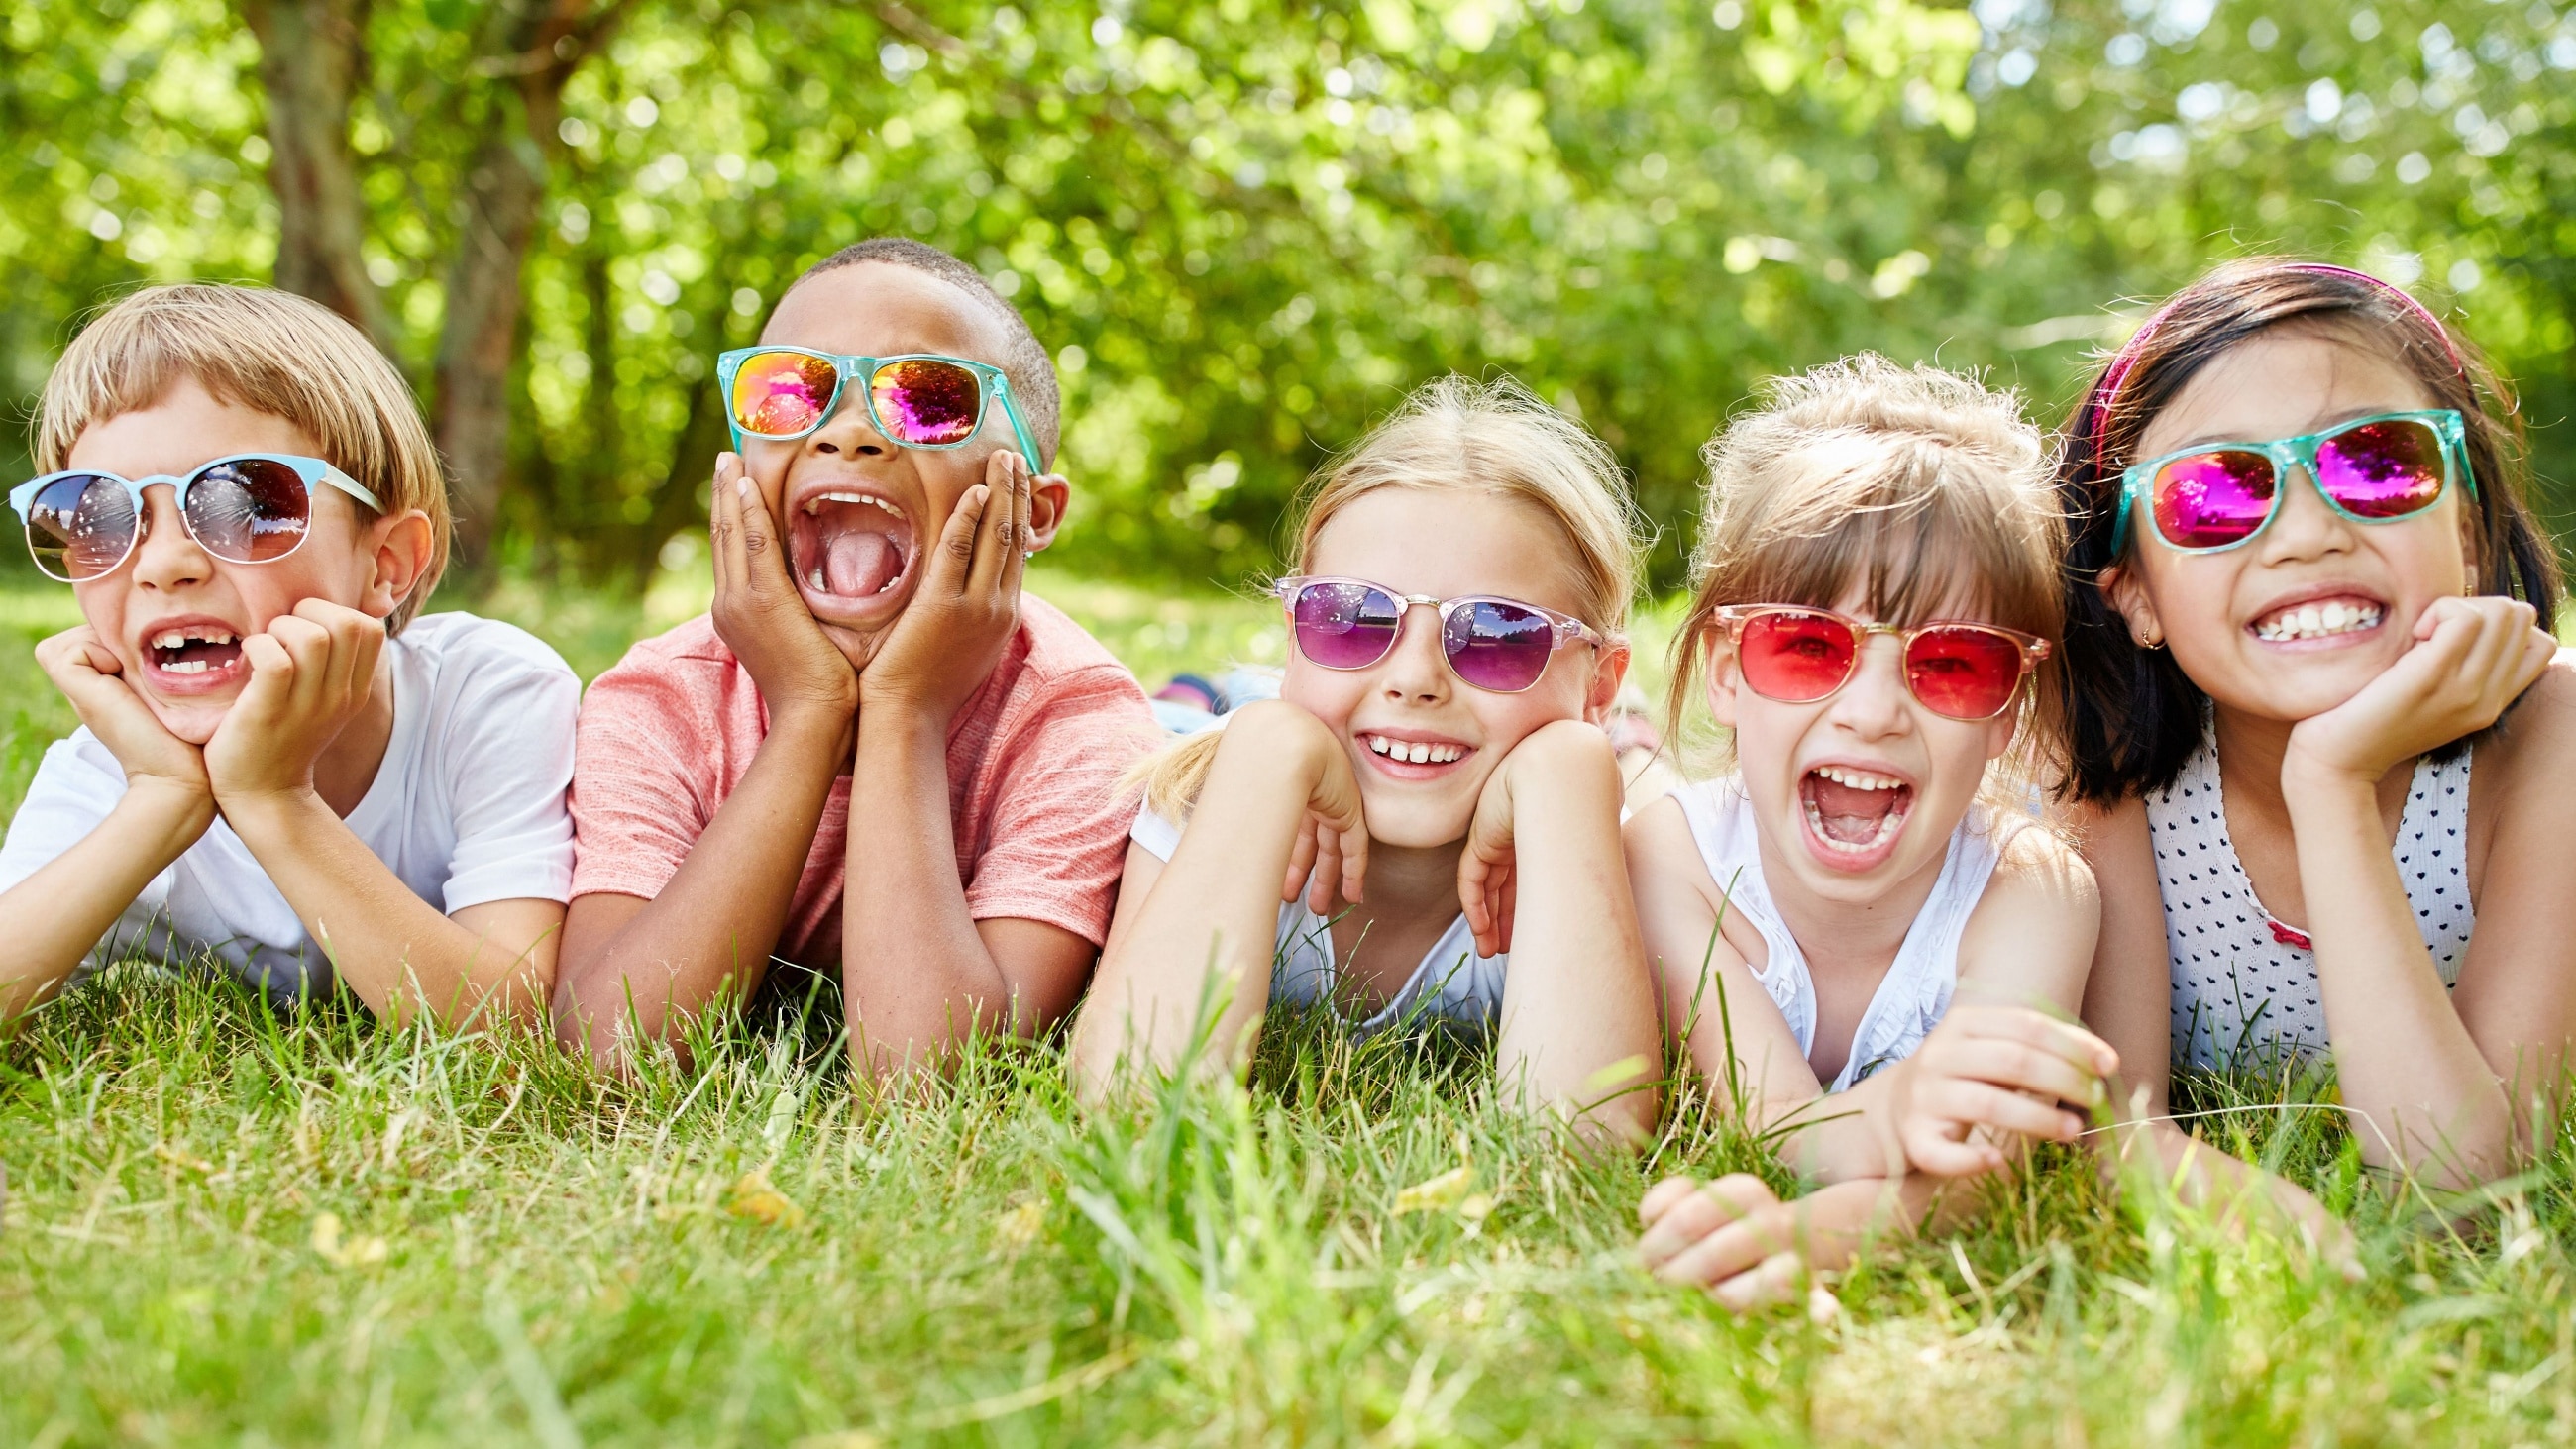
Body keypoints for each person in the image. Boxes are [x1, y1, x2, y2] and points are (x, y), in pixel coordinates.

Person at [553, 238, 1157, 1081]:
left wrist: (907, 707)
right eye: (790, 392)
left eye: (927, 399)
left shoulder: (1077, 720)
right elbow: (607, 1053)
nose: (847, 432)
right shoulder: (661, 697)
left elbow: (923, 1082)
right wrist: (809, 712)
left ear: (1037, 509)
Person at [2057, 259, 2572, 1190]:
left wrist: (2329, 782)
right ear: (2135, 596)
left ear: (2464, 528)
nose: (2305, 533)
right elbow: (2119, 1135)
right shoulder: (2111, 770)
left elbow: (2464, 1184)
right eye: (2214, 493)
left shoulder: (2550, 738)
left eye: (2375, 460)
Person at [1629, 357, 2115, 1308]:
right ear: (1727, 670)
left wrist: (1803, 1237)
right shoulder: (1672, 857)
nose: (1875, 712)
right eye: (1808, 644)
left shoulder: (2034, 895)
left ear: (2009, 714)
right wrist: (1901, 1104)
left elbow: (1984, 1170)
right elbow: (1778, 1127)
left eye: (1956, 662)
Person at [1067, 376, 1662, 1141]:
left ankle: (1633, 734)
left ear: (1599, 684)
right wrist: (1266, 744)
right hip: (1210, 729)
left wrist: (1572, 768)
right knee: (1194, 714)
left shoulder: (1592, 844)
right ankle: (1212, 694)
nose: (1414, 678)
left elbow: (1582, 1141)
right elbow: (1128, 1104)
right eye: (1349, 618)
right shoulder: (1205, 800)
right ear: (1290, 638)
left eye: (1498, 634)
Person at [0, 283, 577, 1026]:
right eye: (98, 514)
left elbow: (513, 1036)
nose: (164, 563)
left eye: (246, 504)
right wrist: (161, 797)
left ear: (387, 565)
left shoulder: (488, 694)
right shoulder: (105, 775)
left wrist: (275, 799)